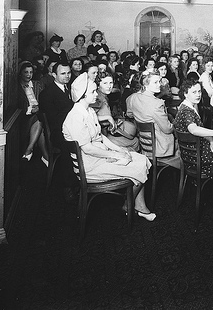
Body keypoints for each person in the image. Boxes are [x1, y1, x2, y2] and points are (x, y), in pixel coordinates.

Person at [63, 73, 156, 221]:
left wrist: (119, 149)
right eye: (93, 92)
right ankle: (131, 205)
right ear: (82, 95)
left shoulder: (89, 111)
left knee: (142, 159)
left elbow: (101, 137)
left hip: (97, 158)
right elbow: (87, 148)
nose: (96, 95)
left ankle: (136, 205)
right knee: (138, 166)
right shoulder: (75, 117)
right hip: (89, 166)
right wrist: (116, 155)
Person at [173, 79, 213, 184]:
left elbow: (200, 129)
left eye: (199, 91)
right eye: (194, 92)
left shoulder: (186, 106)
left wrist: (211, 141)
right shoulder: (187, 111)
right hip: (195, 157)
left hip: (192, 153)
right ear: (185, 93)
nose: (198, 95)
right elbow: (194, 130)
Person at [39, 62, 77, 202]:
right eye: (63, 73)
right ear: (53, 75)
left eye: (68, 73)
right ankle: (67, 186)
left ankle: (88, 179)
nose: (67, 76)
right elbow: (54, 120)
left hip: (73, 127)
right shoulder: (47, 93)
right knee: (71, 144)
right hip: (58, 132)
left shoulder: (70, 88)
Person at [127, 71, 175, 157]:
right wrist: (174, 121)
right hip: (160, 148)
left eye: (159, 81)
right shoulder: (157, 104)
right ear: (145, 84)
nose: (159, 85)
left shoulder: (132, 98)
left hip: (144, 146)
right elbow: (168, 129)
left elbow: (130, 114)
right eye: (155, 82)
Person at [92, 71, 139, 151]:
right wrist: (108, 117)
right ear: (98, 84)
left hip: (107, 132)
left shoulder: (104, 96)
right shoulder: (97, 98)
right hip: (102, 136)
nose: (109, 86)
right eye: (105, 83)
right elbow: (90, 116)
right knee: (135, 142)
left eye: (110, 83)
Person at [18, 62, 49, 165]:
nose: (28, 75)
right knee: (39, 121)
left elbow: (45, 100)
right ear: (21, 73)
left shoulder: (37, 84)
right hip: (24, 117)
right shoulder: (16, 87)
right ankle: (46, 156)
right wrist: (29, 110)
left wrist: (39, 107)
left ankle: (29, 150)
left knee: (38, 118)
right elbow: (17, 106)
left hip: (39, 114)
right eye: (26, 72)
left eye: (31, 72)